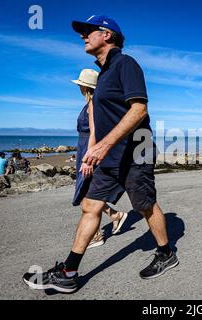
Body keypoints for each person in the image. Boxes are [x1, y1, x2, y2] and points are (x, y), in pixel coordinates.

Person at [23, 15, 178, 294]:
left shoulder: (125, 63)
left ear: (106, 34)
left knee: (144, 205)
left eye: (88, 31)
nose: (83, 36)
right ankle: (69, 272)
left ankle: (166, 254)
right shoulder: (104, 73)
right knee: (90, 207)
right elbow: (99, 118)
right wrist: (93, 148)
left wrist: (103, 145)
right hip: (108, 155)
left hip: (135, 152)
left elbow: (139, 110)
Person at [71, 68, 128, 249]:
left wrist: (88, 160)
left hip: (89, 151)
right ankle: (114, 216)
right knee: (87, 192)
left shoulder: (94, 104)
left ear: (85, 87)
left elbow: (96, 133)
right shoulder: (90, 103)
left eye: (80, 85)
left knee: (86, 193)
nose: (78, 88)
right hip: (85, 150)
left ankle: (96, 234)